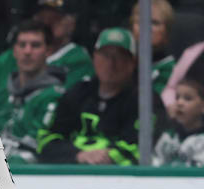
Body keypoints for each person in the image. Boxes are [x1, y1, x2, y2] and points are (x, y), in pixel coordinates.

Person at [38, 27, 167, 165]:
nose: (111, 63)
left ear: (132, 62)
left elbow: (141, 148)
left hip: (121, 180)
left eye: (119, 56)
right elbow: (46, 140)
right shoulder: (77, 93)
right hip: (70, 176)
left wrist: (106, 157)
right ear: (94, 58)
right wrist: (78, 155)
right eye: (105, 55)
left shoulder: (146, 101)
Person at [0, 20, 65, 163]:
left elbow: (38, 148)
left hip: (31, 177)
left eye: (35, 45)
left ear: (48, 51)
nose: (27, 51)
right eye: (22, 45)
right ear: (14, 51)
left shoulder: (56, 97)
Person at [0, 0, 93, 103]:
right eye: (42, 18)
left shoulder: (79, 60)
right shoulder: (8, 58)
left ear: (71, 23)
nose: (47, 23)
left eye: (55, 19)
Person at [153, 75, 204, 166]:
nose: (179, 103)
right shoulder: (168, 135)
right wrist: (167, 121)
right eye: (177, 98)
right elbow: (155, 160)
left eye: (188, 98)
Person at [131, 0, 176, 96]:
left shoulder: (171, 70)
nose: (146, 27)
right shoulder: (122, 64)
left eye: (154, 23)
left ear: (167, 30)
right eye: (140, 21)